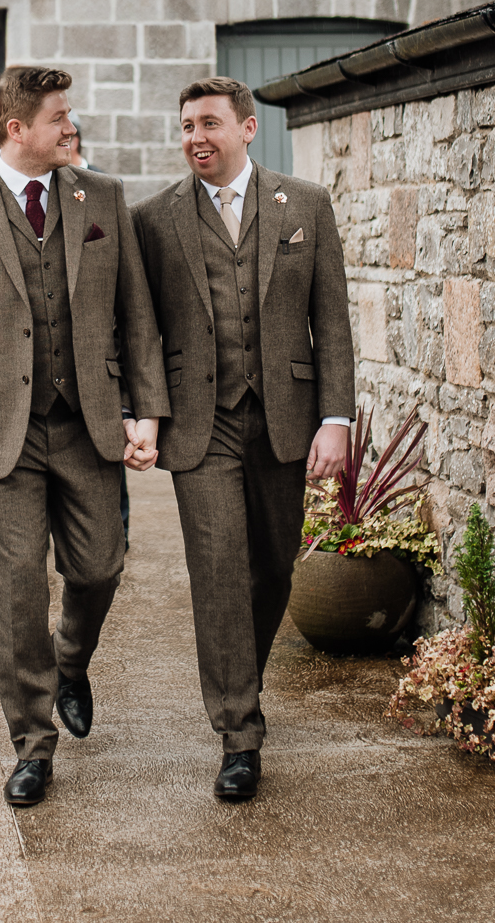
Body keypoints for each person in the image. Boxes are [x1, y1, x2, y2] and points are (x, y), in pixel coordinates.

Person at [0, 65, 170, 809]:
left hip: (90, 424)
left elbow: (138, 317)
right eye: (59, 118)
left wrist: (145, 413)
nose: (72, 128)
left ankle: (71, 660)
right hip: (5, 430)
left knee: (98, 566)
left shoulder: (104, 198)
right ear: (16, 129)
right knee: (20, 582)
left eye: (71, 115)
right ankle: (32, 743)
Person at [130, 77, 356, 803]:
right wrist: (146, 412)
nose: (196, 138)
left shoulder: (306, 204)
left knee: (272, 568)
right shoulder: (153, 219)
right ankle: (239, 734)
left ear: (248, 129)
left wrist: (336, 418)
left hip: (286, 418)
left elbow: (334, 323)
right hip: (203, 425)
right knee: (221, 571)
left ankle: (240, 680)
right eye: (186, 126)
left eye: (209, 124)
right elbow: (141, 330)